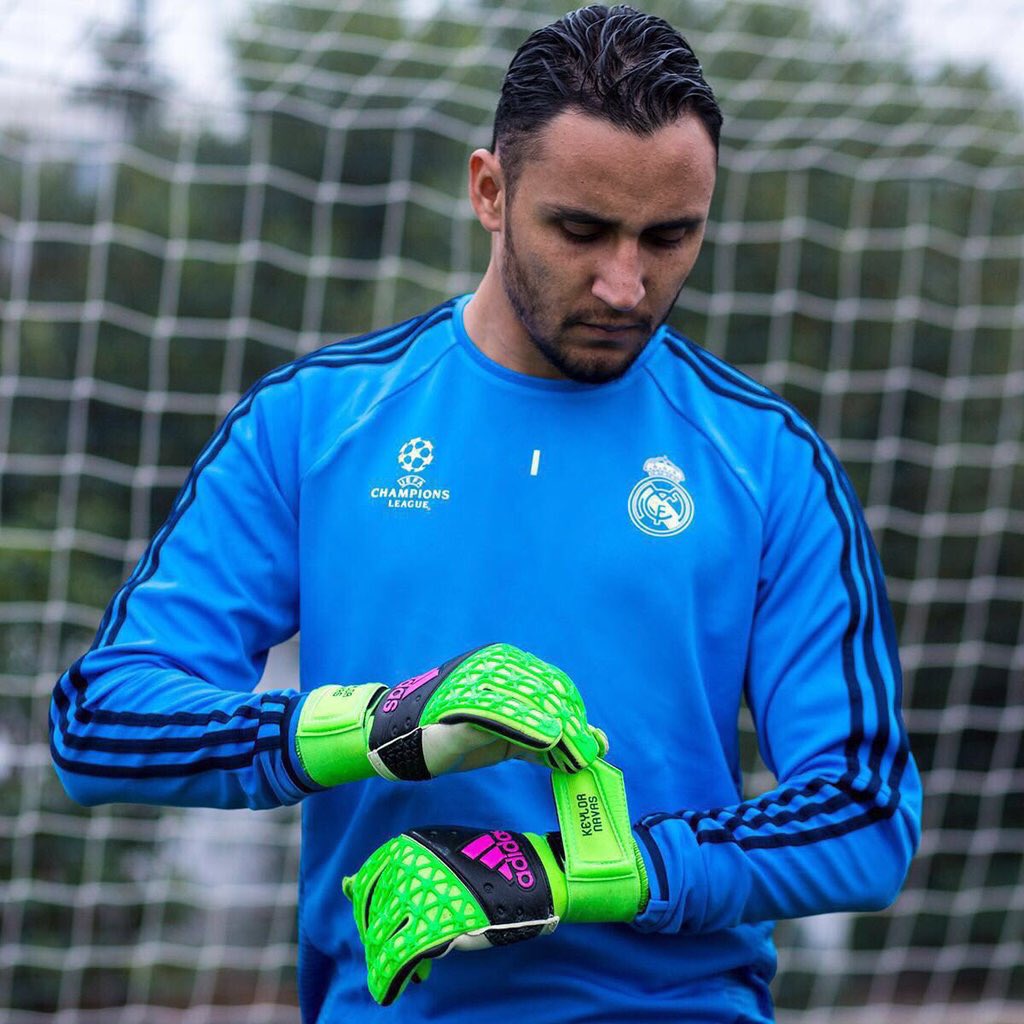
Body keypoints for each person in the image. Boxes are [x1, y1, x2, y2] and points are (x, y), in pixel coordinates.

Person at [50, 5, 922, 1022]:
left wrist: (572, 872)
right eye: (581, 230)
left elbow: (866, 814)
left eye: (669, 236)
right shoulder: (313, 423)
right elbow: (100, 722)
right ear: (490, 192)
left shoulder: (769, 461)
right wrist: (378, 727)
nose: (626, 284)